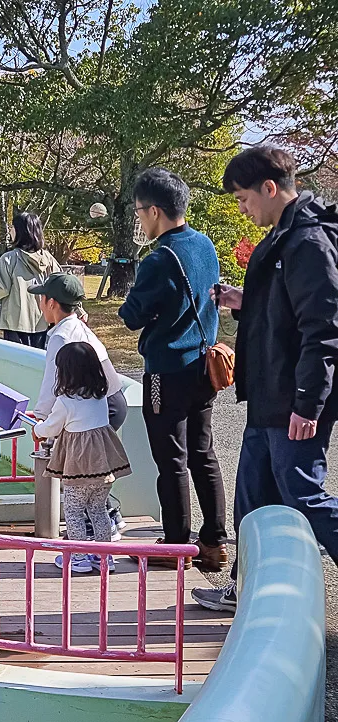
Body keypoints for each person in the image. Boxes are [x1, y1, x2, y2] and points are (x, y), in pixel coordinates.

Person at [193, 146, 338, 612]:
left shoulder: (308, 243)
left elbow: (324, 330)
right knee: (253, 497)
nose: (242, 208)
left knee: (302, 492)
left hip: (293, 399)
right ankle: (246, 588)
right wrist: (246, 300)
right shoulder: (282, 237)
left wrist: (307, 403)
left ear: (269, 189)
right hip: (266, 395)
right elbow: (285, 310)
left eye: (242, 198)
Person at [118, 168, 227, 571]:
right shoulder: (205, 245)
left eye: (141, 212)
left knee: (171, 459)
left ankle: (176, 543)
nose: (141, 220)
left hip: (167, 370)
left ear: (156, 211)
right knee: (203, 452)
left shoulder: (159, 258)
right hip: (203, 366)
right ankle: (214, 541)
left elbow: (131, 316)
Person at [30, 272, 128, 536]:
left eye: (41, 299)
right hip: (110, 400)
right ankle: (109, 524)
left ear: (51, 303)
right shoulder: (78, 326)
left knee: (81, 471)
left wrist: (40, 420)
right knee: (94, 472)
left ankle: (84, 544)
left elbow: (53, 382)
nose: (40, 304)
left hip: (98, 405)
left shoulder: (61, 337)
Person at [34, 342, 132, 573]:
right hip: (103, 465)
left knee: (74, 511)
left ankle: (78, 558)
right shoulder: (99, 397)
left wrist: (37, 430)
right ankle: (104, 557)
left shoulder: (66, 402)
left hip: (79, 467)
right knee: (98, 510)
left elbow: (51, 427)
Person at [0, 211, 60, 348]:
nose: (10, 231)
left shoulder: (8, 259)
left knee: (17, 365)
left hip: (14, 324)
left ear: (20, 231)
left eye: (12, 227)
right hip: (43, 322)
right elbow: (62, 287)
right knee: (37, 363)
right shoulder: (49, 260)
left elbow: (0, 290)